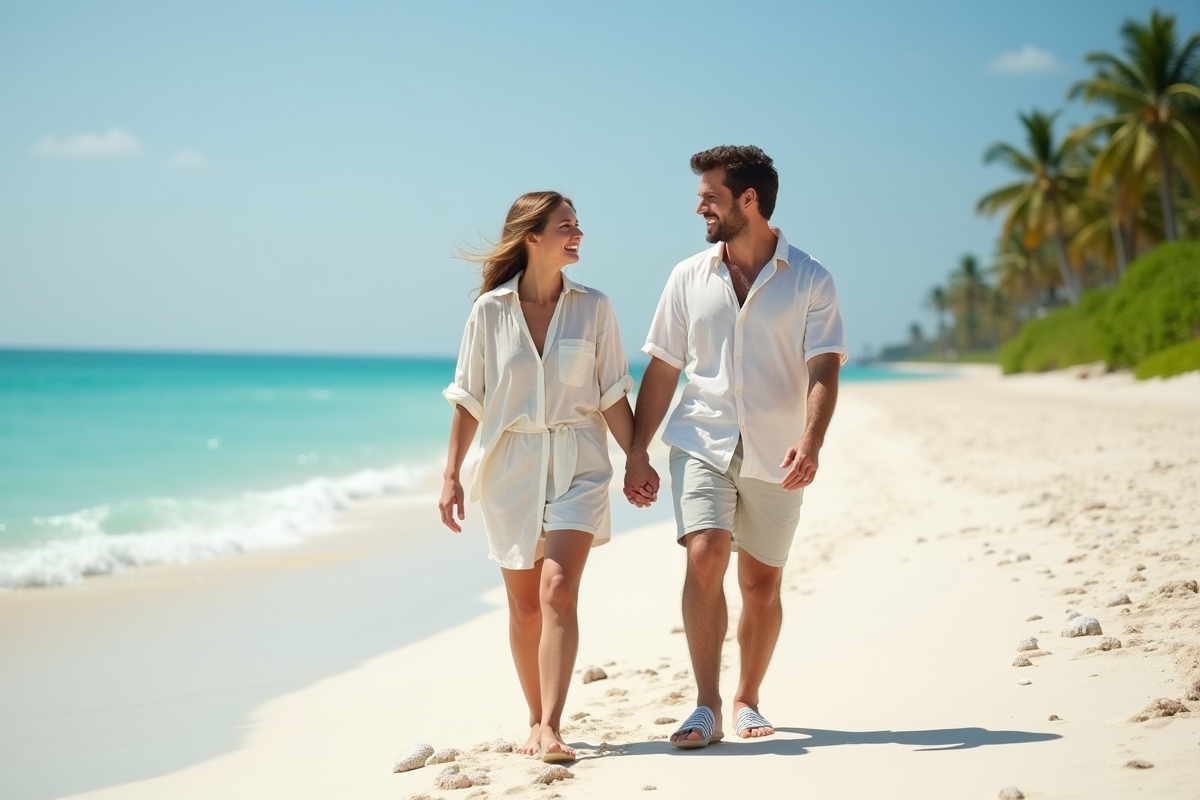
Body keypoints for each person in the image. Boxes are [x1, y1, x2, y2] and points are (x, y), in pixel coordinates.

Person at [623, 146, 847, 748]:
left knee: (761, 585)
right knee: (704, 556)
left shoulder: (811, 278)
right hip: (701, 437)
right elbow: (665, 369)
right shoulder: (687, 277)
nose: (700, 206)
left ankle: (748, 696)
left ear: (749, 200)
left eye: (710, 195)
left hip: (778, 448)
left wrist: (811, 440)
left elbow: (824, 366)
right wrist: (637, 450)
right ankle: (706, 705)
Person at [439, 191, 639, 763]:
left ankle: (552, 726)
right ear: (532, 237)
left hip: (579, 462)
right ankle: (533, 716)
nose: (577, 234)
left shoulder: (594, 307)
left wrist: (637, 457)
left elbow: (610, 395)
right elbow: (468, 398)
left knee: (558, 590)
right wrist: (451, 475)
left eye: (578, 226)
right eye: (565, 226)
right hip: (511, 468)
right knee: (524, 607)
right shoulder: (490, 312)